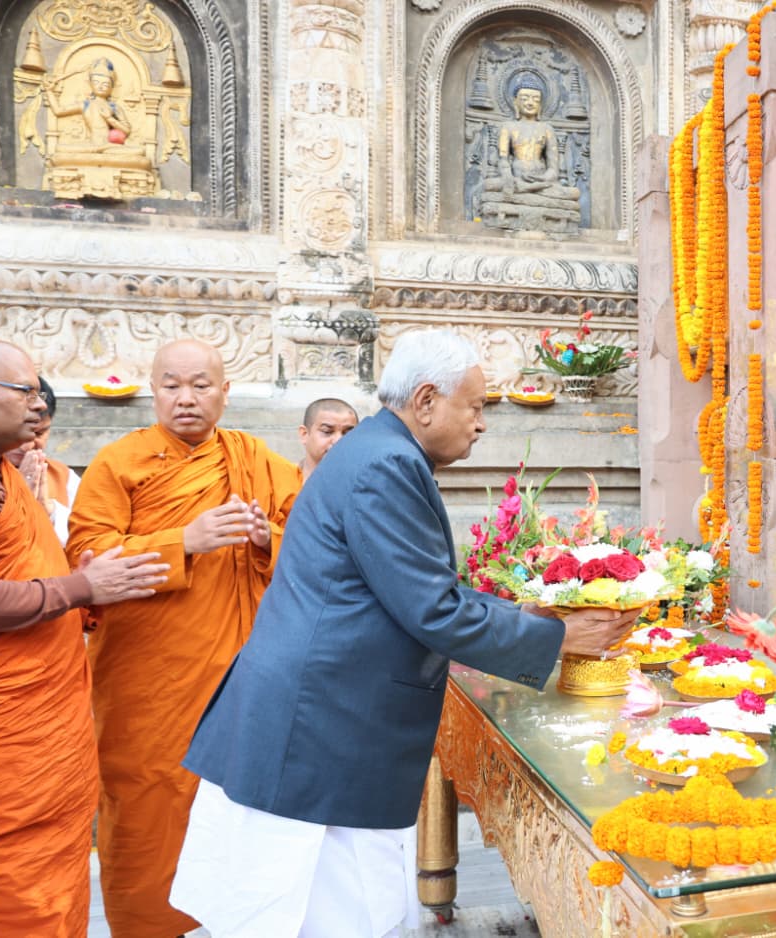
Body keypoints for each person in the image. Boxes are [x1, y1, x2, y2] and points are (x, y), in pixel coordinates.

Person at [170, 330, 638, 937]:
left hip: (323, 718)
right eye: (474, 407)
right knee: (322, 915)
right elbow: (432, 611)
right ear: (425, 402)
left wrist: (528, 615)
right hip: (319, 730)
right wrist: (561, 639)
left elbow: (412, 585)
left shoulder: (379, 451)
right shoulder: (385, 463)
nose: (480, 425)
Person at [0, 339, 169, 937]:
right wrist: (81, 588)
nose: (38, 406)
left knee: (46, 895)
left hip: (34, 738)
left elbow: (18, 572)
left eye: (39, 392)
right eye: (25, 391)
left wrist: (76, 581)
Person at [64, 339, 303, 938]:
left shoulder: (258, 461)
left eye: (200, 385)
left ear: (225, 392)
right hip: (148, 686)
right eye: (172, 385)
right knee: (147, 807)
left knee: (236, 817)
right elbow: (86, 562)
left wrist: (265, 539)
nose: (186, 398)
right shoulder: (119, 463)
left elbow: (313, 543)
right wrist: (183, 541)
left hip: (240, 681)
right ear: (153, 391)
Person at [5, 375, 81, 543]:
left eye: (39, 433)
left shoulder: (64, 477)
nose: (26, 446)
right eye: (16, 433)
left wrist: (50, 511)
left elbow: (85, 539)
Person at [297, 397, 358, 478]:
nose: (338, 441)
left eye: (348, 434)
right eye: (327, 431)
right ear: (304, 434)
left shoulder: (366, 484)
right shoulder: (283, 480)